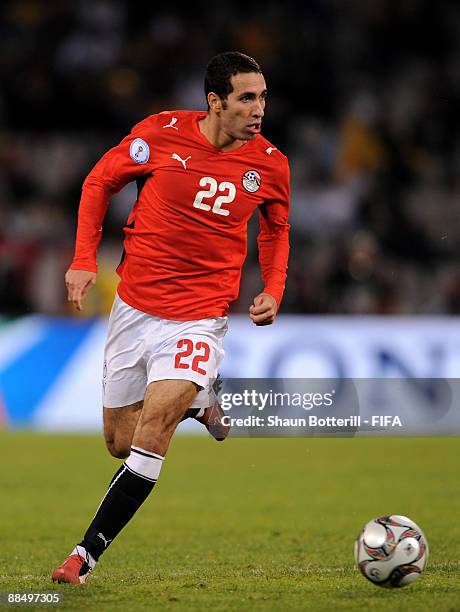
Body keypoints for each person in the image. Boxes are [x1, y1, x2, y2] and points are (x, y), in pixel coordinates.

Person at [51, 51, 290, 584]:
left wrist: (272, 288)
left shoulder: (270, 162)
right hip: (134, 310)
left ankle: (83, 556)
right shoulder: (159, 134)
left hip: (199, 319)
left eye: (263, 97)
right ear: (215, 101)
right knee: (119, 440)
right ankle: (202, 399)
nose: (259, 109)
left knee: (151, 434)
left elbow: (275, 228)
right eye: (247, 98)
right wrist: (83, 259)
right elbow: (98, 183)